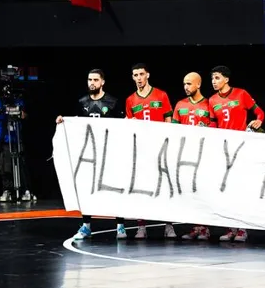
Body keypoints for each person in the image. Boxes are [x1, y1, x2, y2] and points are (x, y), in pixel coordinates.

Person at [56, 69, 126, 240]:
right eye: (89, 79)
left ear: (102, 82)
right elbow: (75, 123)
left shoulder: (113, 102)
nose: (91, 83)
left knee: (115, 188)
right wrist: (63, 121)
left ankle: (120, 226)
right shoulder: (82, 102)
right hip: (89, 154)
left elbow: (123, 126)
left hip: (109, 152)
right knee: (86, 189)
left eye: (95, 79)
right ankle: (86, 226)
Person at [208, 64, 264, 243]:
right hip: (223, 150)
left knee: (241, 189)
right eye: (212, 78)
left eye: (217, 78)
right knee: (226, 190)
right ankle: (230, 228)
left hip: (241, 148)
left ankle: (243, 229)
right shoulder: (212, 100)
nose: (214, 82)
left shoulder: (241, 94)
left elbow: (259, 112)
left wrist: (258, 121)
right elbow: (212, 124)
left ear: (226, 79)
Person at [125, 63, 176, 240]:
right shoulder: (130, 100)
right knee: (142, 188)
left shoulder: (161, 95)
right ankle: (141, 226)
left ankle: (168, 225)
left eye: (141, 74)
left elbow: (169, 120)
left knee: (165, 188)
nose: (138, 78)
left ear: (148, 75)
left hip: (160, 148)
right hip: (142, 150)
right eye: (135, 75)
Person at [171, 72, 213, 241]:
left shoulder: (208, 104)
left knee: (203, 192)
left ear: (198, 84)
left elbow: (215, 129)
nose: (186, 87)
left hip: (203, 155)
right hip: (185, 156)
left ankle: (205, 228)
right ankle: (196, 227)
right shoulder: (180, 104)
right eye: (184, 84)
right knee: (191, 193)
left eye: (189, 84)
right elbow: (173, 130)